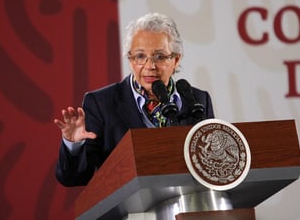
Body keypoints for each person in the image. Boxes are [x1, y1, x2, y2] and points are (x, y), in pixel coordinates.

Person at [54, 12, 215, 186]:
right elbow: (75, 179)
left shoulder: (198, 100)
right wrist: (74, 145)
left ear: (175, 60)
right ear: (130, 60)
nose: (150, 66)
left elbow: (212, 164)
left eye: (159, 57)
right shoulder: (101, 103)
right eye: (140, 57)